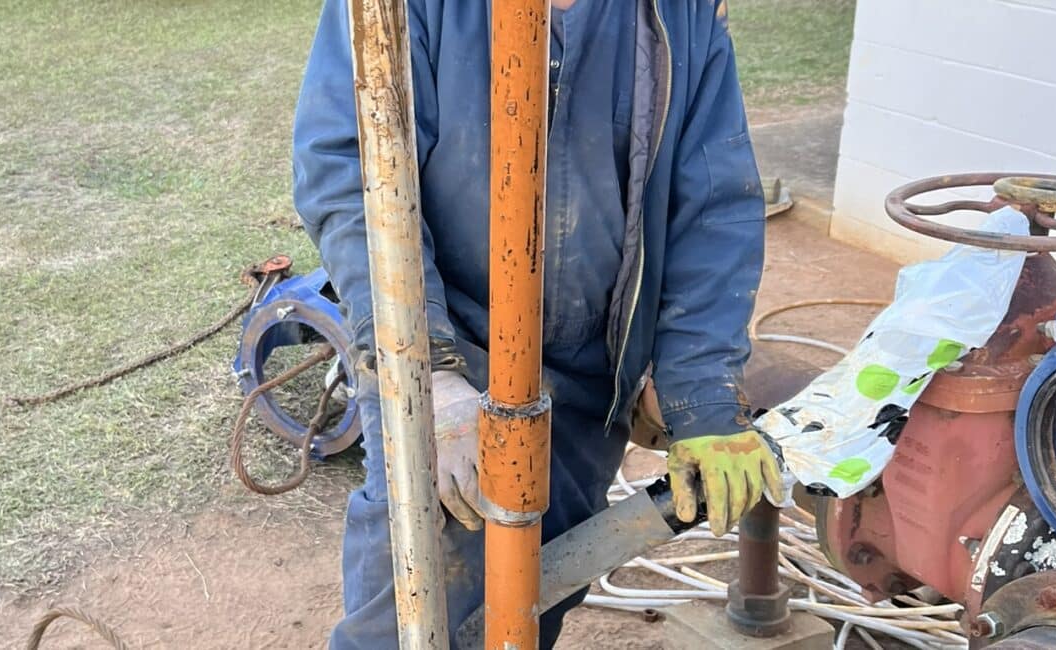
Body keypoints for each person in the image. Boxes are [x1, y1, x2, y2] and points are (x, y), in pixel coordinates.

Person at [292, 0, 783, 647]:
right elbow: (349, 170)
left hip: (590, 374)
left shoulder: (674, 13)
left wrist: (700, 394)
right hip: (445, 352)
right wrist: (428, 378)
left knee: (532, 601)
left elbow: (713, 206)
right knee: (416, 612)